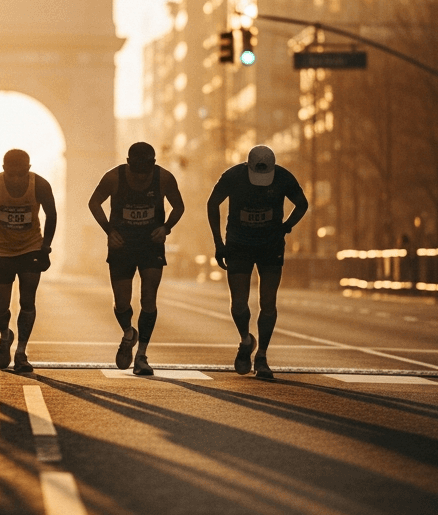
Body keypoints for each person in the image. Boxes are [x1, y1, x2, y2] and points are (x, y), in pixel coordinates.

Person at [207, 144, 307, 380]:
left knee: (268, 301)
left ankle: (261, 356)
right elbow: (212, 203)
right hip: (238, 245)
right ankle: (245, 340)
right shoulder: (232, 176)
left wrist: (287, 226)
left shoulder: (283, 177)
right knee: (239, 303)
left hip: (270, 245)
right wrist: (218, 243)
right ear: (248, 167)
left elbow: (302, 204)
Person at [87, 141, 184, 376]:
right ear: (128, 163)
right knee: (122, 302)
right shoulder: (113, 177)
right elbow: (94, 203)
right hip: (122, 246)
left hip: (151, 245)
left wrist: (166, 228)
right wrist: (109, 231)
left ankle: (141, 355)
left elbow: (179, 207)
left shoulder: (164, 178)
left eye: (146, 171)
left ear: (153, 164)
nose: (142, 177)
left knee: (149, 298)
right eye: (137, 171)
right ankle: (129, 332)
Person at [0, 149, 58, 373]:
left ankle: (21, 352)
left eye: (21, 174)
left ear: (29, 170)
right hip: (0, 250)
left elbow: (52, 214)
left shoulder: (40, 185)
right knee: (1, 307)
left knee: (27, 302)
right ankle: (4, 336)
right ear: (4, 170)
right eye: (12, 175)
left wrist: (46, 247)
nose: (17, 179)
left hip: (30, 248)